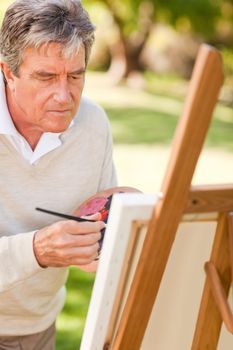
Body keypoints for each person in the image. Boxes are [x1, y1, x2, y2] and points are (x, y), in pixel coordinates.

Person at [0, 0, 117, 349]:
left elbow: (104, 223)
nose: (64, 96)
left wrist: (112, 233)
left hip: (38, 331)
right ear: (8, 72)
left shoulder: (93, 124)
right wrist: (38, 249)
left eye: (76, 75)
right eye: (46, 76)